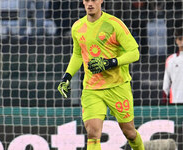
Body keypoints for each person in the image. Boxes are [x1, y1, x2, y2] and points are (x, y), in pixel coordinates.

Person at [58, 0, 145, 149]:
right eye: (86, 0)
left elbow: (134, 53)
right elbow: (78, 55)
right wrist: (67, 77)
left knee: (129, 133)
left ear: (101, 1)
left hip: (117, 86)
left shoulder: (114, 24)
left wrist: (109, 63)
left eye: (94, 0)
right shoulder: (77, 27)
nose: (90, 3)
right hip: (92, 88)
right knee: (93, 133)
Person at [163, 27, 183, 104]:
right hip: (176, 101)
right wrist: (164, 102)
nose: (182, 41)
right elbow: (166, 84)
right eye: (180, 39)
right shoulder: (170, 60)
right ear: (176, 41)